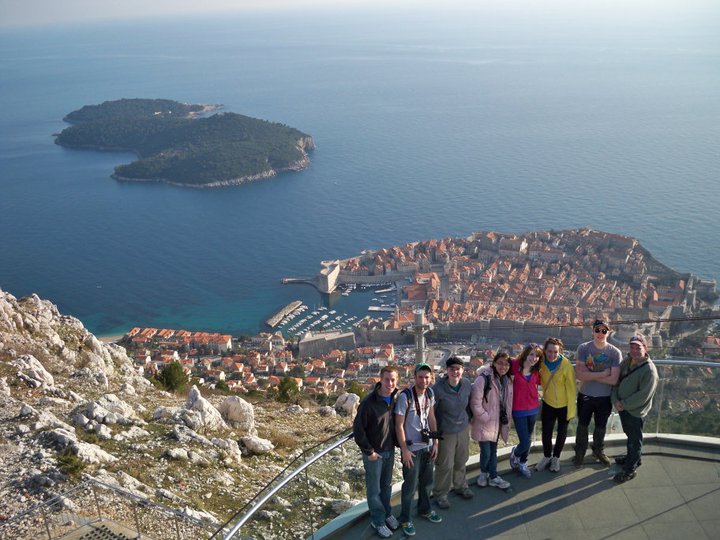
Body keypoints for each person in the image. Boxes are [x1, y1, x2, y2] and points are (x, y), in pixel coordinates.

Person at [353, 366, 400, 538]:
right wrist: (369, 451)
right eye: (387, 379)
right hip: (374, 453)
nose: (390, 383)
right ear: (380, 379)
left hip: (389, 450)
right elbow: (358, 430)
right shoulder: (368, 403)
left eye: (393, 380)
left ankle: (387, 513)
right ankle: (378, 521)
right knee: (374, 490)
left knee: (386, 487)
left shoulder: (395, 397)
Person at [395, 363, 442, 537]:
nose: (424, 380)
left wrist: (435, 442)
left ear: (431, 378)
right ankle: (405, 518)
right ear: (414, 378)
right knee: (410, 485)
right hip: (412, 449)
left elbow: (431, 418)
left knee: (427, 482)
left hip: (428, 445)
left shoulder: (430, 393)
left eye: (427, 377)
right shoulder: (405, 397)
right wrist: (404, 450)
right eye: (420, 377)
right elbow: (399, 425)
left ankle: (425, 509)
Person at [573, 319, 622, 467]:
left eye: (604, 331)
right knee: (582, 425)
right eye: (597, 330)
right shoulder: (583, 348)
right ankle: (580, 452)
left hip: (604, 398)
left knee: (601, 426)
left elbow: (614, 380)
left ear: (609, 332)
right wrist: (603, 374)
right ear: (592, 331)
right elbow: (580, 376)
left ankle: (598, 450)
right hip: (585, 395)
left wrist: (591, 375)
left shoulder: (615, 352)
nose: (600, 333)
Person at [611, 334, 659, 483]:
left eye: (638, 348)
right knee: (631, 436)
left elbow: (643, 395)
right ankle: (633, 458)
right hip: (624, 407)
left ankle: (630, 470)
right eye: (632, 347)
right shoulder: (628, 361)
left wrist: (623, 404)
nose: (634, 351)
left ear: (645, 348)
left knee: (634, 440)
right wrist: (615, 400)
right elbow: (616, 381)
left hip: (635, 411)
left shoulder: (649, 371)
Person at [431, 356, 473, 509]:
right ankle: (441, 493)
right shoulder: (438, 389)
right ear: (446, 371)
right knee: (445, 464)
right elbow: (432, 413)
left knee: (461, 459)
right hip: (446, 431)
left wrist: (470, 420)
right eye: (451, 369)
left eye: (458, 369)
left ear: (463, 370)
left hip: (462, 428)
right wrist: (435, 433)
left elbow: (470, 404)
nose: (455, 372)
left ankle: (460, 485)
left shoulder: (467, 384)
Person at [470, 351, 514, 490]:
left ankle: (493, 476)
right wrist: (485, 418)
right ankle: (484, 474)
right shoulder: (483, 379)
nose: (503, 367)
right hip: (485, 422)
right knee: (486, 451)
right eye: (500, 363)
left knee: (493, 450)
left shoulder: (507, 380)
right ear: (494, 363)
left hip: (498, 422)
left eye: (506, 364)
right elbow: (475, 403)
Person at [536, 337, 576, 473]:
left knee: (561, 433)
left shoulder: (566, 364)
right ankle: (547, 456)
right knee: (546, 432)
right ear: (545, 351)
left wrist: (571, 408)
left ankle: (556, 458)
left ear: (560, 351)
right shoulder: (540, 362)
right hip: (548, 402)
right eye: (549, 351)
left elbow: (571, 388)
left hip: (564, 405)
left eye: (555, 352)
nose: (552, 355)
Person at [509, 343, 542, 478]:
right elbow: (496, 365)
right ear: (525, 354)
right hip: (518, 409)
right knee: (525, 441)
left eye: (537, 356)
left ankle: (523, 462)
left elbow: (541, 384)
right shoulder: (515, 365)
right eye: (532, 354)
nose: (534, 358)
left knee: (527, 439)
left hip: (533, 408)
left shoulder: (536, 371)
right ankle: (515, 454)